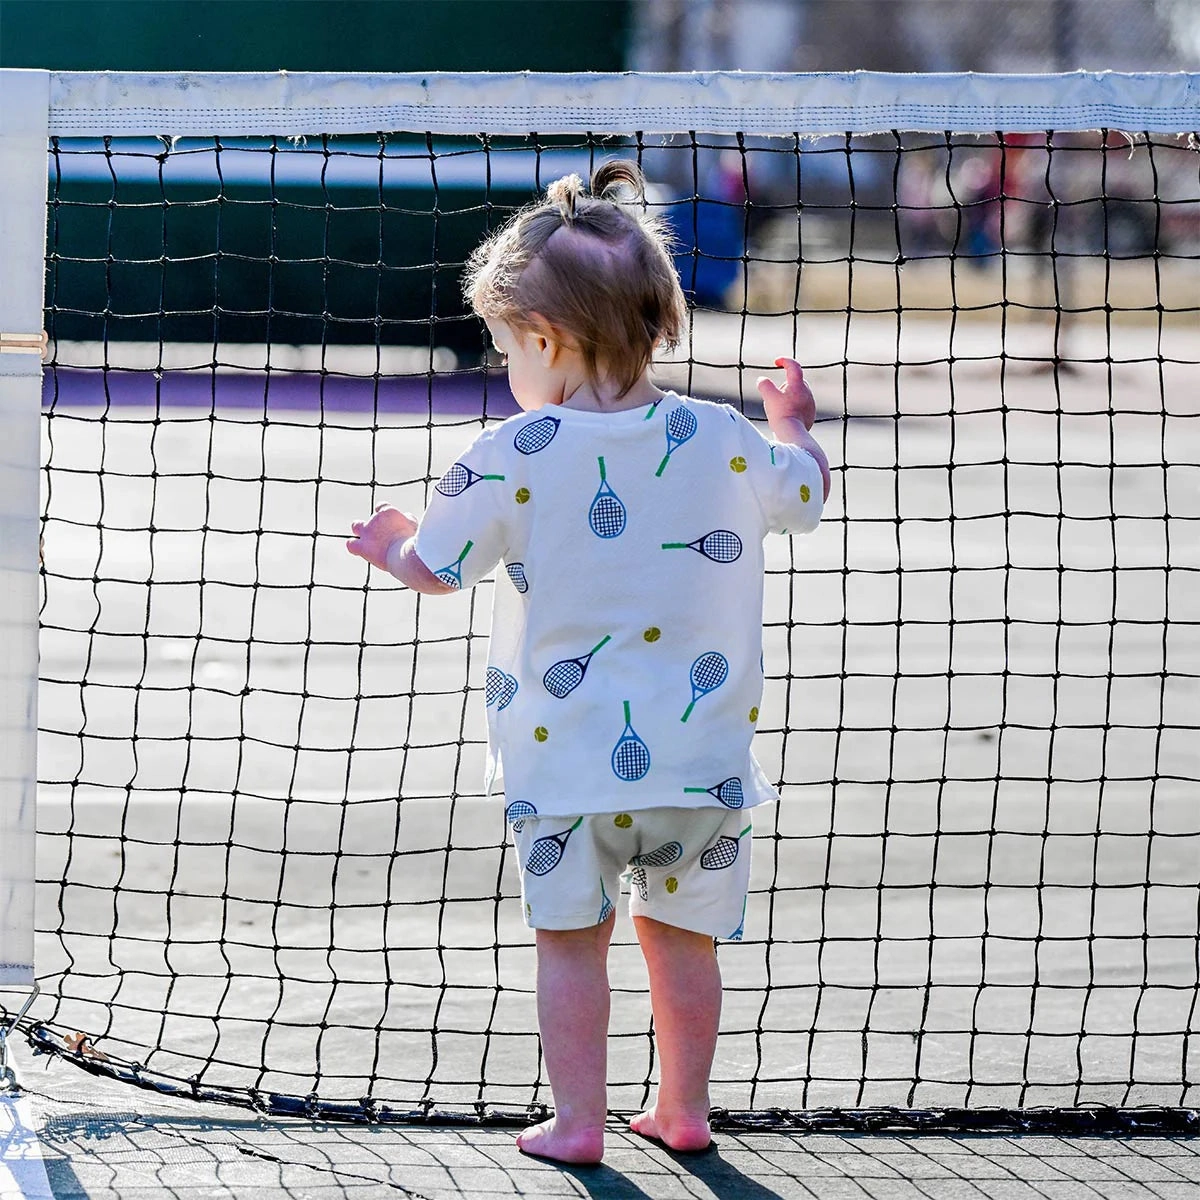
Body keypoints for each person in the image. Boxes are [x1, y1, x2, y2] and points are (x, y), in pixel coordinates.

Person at [346, 161, 831, 1164]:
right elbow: (805, 494)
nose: (506, 366)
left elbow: (438, 568)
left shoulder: (507, 452)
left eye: (505, 345)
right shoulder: (728, 439)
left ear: (546, 339)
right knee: (683, 941)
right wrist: (792, 424)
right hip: (702, 768)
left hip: (563, 772)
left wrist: (390, 543)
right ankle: (684, 1111)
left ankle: (579, 1124)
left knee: (571, 944)